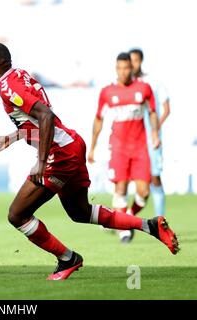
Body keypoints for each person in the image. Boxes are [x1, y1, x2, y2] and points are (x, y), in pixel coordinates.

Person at [0, 43, 179, 281]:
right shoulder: (20, 76)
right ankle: (151, 226)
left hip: (59, 152)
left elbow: (46, 116)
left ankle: (67, 258)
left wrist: (41, 163)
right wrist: (12, 137)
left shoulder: (7, 87)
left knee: (17, 215)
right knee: (80, 212)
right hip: (71, 143)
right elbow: (36, 117)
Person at [88, 52, 161, 243]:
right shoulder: (107, 92)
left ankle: (127, 214)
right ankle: (125, 229)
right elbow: (98, 119)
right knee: (120, 188)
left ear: (132, 67)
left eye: (126, 68)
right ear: (116, 69)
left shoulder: (144, 89)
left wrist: (154, 133)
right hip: (118, 147)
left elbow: (153, 113)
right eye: (119, 68)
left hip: (139, 147)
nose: (123, 72)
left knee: (144, 192)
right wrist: (93, 147)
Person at [129, 48, 170, 218]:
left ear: (141, 61)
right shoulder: (125, 85)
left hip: (151, 139)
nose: (133, 64)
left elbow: (166, 109)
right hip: (132, 140)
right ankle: (125, 220)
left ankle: (160, 220)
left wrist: (155, 130)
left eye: (136, 60)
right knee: (131, 182)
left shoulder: (153, 82)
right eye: (130, 61)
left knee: (154, 178)